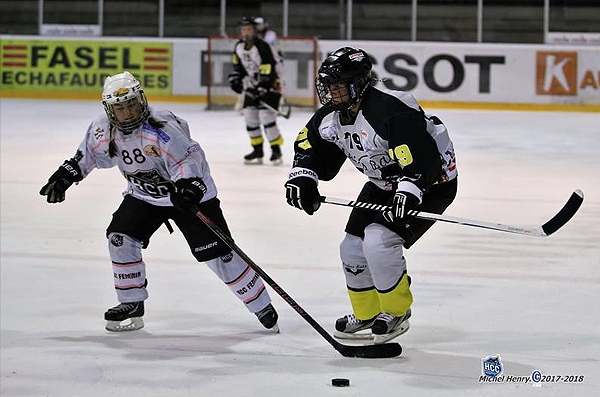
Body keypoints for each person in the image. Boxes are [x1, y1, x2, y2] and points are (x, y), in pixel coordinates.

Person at [39, 71, 279, 333]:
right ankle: (131, 303)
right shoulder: (102, 130)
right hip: (145, 196)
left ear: (141, 100)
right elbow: (87, 157)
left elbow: (188, 159)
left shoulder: (161, 128)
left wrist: (189, 188)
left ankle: (260, 304)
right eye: (120, 108)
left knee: (219, 254)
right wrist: (66, 176)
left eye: (132, 104)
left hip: (186, 197)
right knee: (119, 237)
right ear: (110, 110)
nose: (128, 113)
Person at [284, 47, 458, 344]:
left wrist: (410, 189)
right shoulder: (334, 115)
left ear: (359, 83)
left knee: (379, 241)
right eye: (329, 86)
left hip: (431, 183)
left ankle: (396, 311)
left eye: (338, 86)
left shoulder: (391, 108)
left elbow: (423, 159)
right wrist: (303, 177)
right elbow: (309, 144)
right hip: (382, 183)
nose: (331, 93)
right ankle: (366, 313)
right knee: (351, 247)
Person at [228, 16, 284, 165]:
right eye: (243, 29)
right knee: (250, 118)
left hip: (271, 85)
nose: (246, 32)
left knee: (267, 118)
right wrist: (236, 79)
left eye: (249, 29)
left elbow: (269, 67)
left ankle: (276, 150)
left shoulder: (263, 46)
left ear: (254, 31)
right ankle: (257, 149)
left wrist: (263, 87)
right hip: (253, 86)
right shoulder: (238, 47)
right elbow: (237, 66)